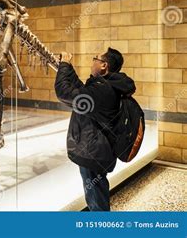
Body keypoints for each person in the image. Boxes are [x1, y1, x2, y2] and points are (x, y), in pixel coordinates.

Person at [54, 47, 136, 211]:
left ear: (104, 65)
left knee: (96, 199)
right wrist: (67, 68)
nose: (93, 62)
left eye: (95, 58)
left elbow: (64, 92)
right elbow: (81, 90)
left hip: (95, 153)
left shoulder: (102, 89)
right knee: (96, 191)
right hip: (98, 150)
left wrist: (63, 65)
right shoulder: (107, 86)